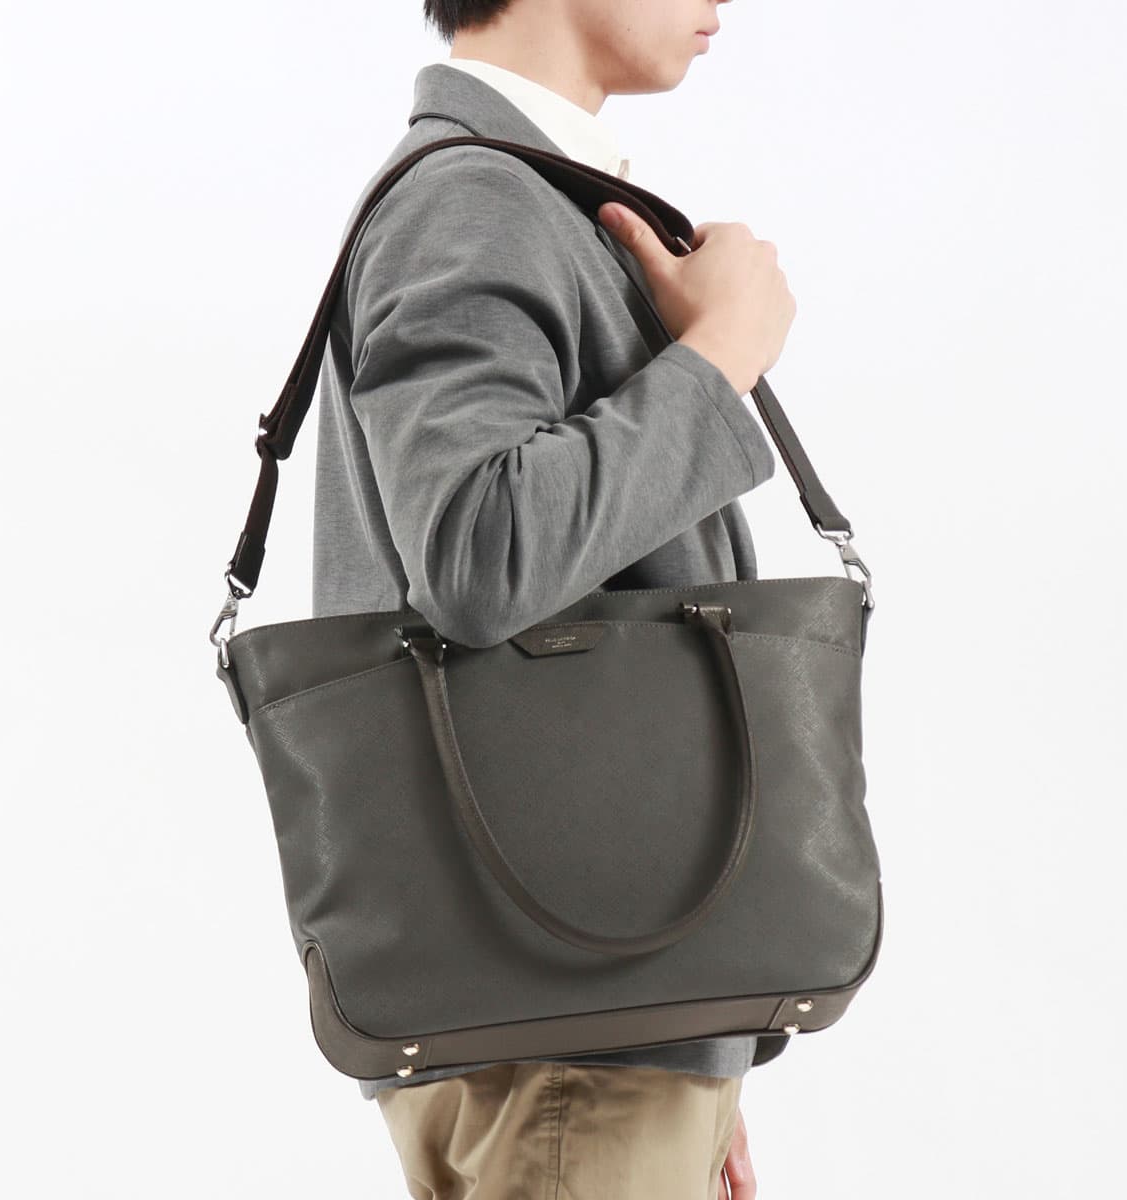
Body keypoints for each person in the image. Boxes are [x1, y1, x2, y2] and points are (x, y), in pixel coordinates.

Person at [312, 1, 798, 1195]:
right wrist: (721, 355)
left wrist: (700, 1051)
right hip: (568, 1038)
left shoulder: (523, 193)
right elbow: (479, 554)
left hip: (596, 1026)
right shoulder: (472, 200)